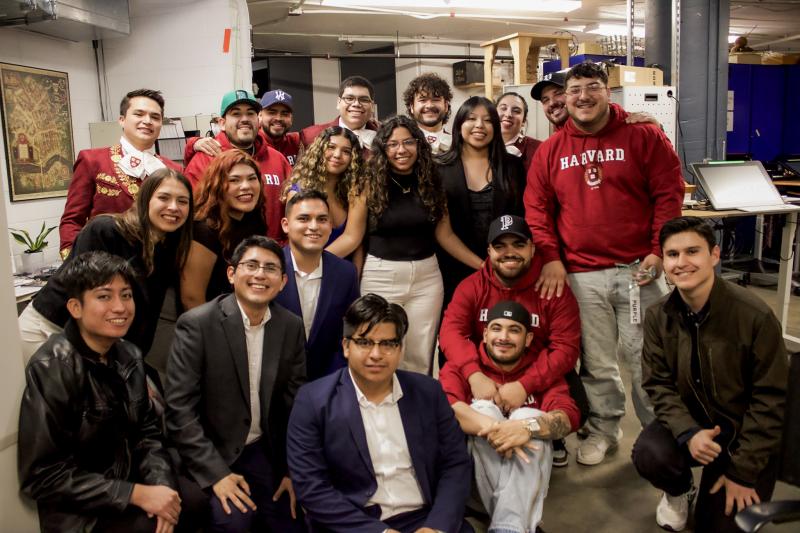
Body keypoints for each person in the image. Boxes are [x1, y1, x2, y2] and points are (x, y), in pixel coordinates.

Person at [525, 61, 684, 466]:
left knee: (647, 359)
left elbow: (668, 194)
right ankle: (604, 430)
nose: (582, 96)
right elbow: (537, 210)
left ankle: (661, 437)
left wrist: (657, 251)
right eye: (574, 89)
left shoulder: (643, 135)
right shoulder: (552, 151)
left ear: (607, 91)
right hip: (582, 275)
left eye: (592, 87)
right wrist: (552, 258)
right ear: (565, 96)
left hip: (639, 270)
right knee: (597, 363)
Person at [632, 216, 788, 532]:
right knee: (650, 453)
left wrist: (743, 472)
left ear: (714, 255)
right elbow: (658, 384)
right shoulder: (657, 316)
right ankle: (679, 491)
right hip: (694, 425)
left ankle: (730, 481)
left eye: (693, 251)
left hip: (744, 436)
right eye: (672, 254)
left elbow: (770, 401)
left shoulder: (755, 317)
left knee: (719, 526)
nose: (682, 262)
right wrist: (687, 432)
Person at [18, 251, 182, 533]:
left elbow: (147, 435)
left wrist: (160, 486)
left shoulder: (128, 354)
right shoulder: (53, 367)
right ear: (75, 307)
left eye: (126, 295)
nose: (120, 307)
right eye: (104, 296)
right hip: (81, 510)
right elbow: (42, 476)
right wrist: (136, 494)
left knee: (192, 500)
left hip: (128, 480)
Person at [287, 293, 473, 533]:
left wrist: (436, 527)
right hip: (357, 524)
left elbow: (455, 464)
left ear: (401, 349)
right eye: (365, 342)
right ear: (346, 346)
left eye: (388, 344)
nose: (376, 354)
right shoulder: (313, 400)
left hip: (424, 519)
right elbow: (311, 487)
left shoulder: (429, 392)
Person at [166, 235, 306, 533]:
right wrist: (217, 475)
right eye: (251, 265)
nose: (259, 274)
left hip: (260, 450)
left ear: (282, 282)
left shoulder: (290, 326)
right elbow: (179, 412)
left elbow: (295, 405)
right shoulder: (197, 324)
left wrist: (291, 470)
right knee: (235, 522)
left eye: (270, 269)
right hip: (209, 451)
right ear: (231, 274)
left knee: (293, 520)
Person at [439, 214, 582, 467]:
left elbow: (566, 348)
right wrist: (473, 374)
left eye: (518, 245)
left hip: (537, 374)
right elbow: (451, 332)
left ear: (532, 248)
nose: (509, 253)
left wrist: (525, 385)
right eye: (500, 246)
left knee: (577, 403)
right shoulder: (472, 286)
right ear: (489, 251)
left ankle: (550, 439)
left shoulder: (552, 287)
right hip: (486, 373)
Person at [19, 168, 193, 361]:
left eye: (182, 201)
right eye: (164, 198)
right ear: (145, 200)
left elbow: (148, 313)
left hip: (101, 344)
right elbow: (86, 298)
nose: (173, 207)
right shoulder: (106, 230)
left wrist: (134, 362)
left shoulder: (168, 247)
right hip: (48, 329)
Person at [440, 300, 580, 533]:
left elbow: (566, 418)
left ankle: (507, 526)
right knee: (484, 409)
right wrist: (500, 429)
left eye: (514, 330)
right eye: (496, 328)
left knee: (530, 417)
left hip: (525, 481)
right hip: (472, 485)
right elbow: (446, 409)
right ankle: (517, 522)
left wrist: (527, 427)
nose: (503, 337)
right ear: (484, 334)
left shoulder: (540, 369)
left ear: (528, 339)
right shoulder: (463, 367)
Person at [360, 115, 483, 374]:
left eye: (408, 142)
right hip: (380, 275)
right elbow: (353, 238)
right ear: (383, 148)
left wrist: (483, 265)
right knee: (380, 351)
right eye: (393, 144)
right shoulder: (368, 182)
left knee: (419, 357)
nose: (401, 150)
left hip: (427, 278)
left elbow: (445, 235)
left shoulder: (432, 181)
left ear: (419, 144)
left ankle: (417, 411)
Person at [59, 89, 182, 258]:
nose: (147, 121)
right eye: (139, 114)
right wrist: (75, 262)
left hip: (159, 266)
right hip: (104, 265)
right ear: (122, 120)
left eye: (155, 117)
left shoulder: (173, 169)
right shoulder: (93, 160)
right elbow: (72, 220)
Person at [436, 96, 527, 308]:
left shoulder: (512, 166)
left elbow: (521, 218)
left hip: (506, 268)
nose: (479, 126)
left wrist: (501, 265)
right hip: (453, 270)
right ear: (459, 125)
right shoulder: (439, 169)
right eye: (471, 118)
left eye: (487, 120)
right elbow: (443, 232)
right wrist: (483, 266)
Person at [183, 90, 291, 242]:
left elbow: (294, 209)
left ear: (258, 119)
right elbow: (191, 216)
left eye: (250, 113)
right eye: (236, 114)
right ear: (222, 123)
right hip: (222, 257)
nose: (245, 119)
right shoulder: (204, 160)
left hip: (274, 256)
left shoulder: (277, 159)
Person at [276, 190, 360, 380]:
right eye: (304, 219)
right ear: (286, 225)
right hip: (273, 384)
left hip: (327, 384)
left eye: (322, 219)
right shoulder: (268, 270)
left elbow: (350, 333)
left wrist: (332, 383)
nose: (313, 226)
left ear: (330, 226)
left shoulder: (345, 273)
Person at [180, 150, 266, 310]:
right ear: (217, 185)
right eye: (234, 180)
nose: (246, 186)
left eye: (252, 178)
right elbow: (191, 298)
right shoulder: (204, 230)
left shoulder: (253, 219)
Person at [282, 127, 367, 258]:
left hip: (345, 270)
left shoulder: (355, 190)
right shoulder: (298, 191)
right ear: (319, 150)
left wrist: (354, 275)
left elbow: (354, 239)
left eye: (346, 151)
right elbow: (297, 241)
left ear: (353, 158)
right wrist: (318, 265)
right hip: (308, 269)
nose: (337, 155)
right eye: (331, 147)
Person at [189, 89, 301, 167]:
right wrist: (193, 143)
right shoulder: (206, 158)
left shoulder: (287, 150)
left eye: (250, 113)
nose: (278, 118)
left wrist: (296, 192)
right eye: (236, 114)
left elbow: (293, 184)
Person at [300, 76, 378, 154]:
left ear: (372, 106)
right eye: (349, 98)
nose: (356, 104)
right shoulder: (310, 136)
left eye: (364, 100)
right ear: (338, 102)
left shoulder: (385, 138)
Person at [402, 72, 453, 154]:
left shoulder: (456, 144)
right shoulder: (402, 144)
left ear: (446, 106)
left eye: (436, 100)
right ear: (411, 107)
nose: (429, 105)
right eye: (422, 100)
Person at [496, 91, 542, 170]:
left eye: (516, 111)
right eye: (503, 108)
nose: (508, 114)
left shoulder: (539, 149)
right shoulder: (482, 146)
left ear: (523, 121)